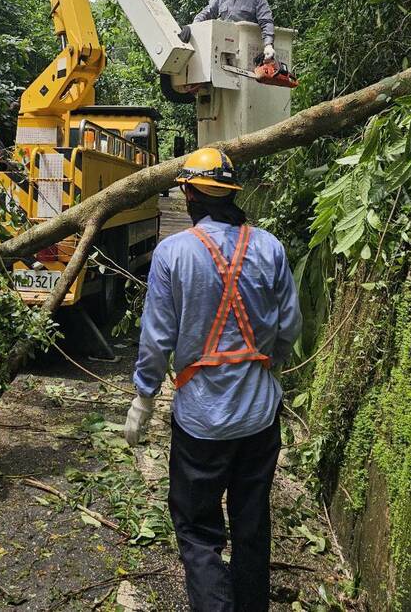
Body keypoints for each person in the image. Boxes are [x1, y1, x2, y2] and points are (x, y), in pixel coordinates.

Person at [124, 148, 301, 612]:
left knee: (199, 532)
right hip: (260, 418)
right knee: (251, 525)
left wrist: (143, 399)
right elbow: (289, 328)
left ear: (189, 195)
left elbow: (157, 338)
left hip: (201, 421)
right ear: (230, 194)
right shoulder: (270, 247)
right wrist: (266, 366)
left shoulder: (173, 254)